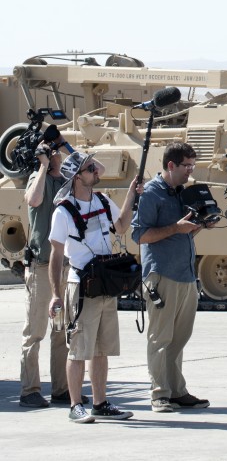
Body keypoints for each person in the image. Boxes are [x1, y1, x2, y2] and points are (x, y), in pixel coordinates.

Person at [48, 150, 140, 423]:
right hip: (82, 286)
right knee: (78, 349)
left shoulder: (101, 199)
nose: (97, 172)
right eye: (90, 169)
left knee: (102, 349)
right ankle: (76, 405)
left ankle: (100, 403)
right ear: (77, 176)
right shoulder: (63, 211)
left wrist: (132, 194)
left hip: (106, 283)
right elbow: (56, 255)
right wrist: (55, 294)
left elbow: (121, 227)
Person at [132, 141, 212, 413]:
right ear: (170, 165)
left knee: (180, 338)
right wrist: (175, 228)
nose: (190, 171)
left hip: (185, 274)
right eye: (186, 166)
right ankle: (158, 394)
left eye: (192, 166)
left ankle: (176, 390)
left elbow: (183, 233)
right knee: (160, 338)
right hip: (161, 275)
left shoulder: (181, 193)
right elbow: (140, 235)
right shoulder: (152, 193)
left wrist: (199, 225)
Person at [19, 125, 74, 408]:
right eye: (52, 151)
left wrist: (65, 145)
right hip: (42, 265)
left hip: (65, 265)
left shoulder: (67, 179)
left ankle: (61, 389)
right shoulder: (36, 178)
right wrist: (41, 165)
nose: (57, 156)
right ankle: (29, 389)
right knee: (36, 330)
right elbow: (35, 200)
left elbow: (94, 170)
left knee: (61, 331)